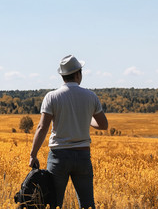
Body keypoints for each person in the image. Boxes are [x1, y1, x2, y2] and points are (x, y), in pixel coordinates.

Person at [29, 55, 108, 209]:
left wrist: (33, 154)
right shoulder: (91, 96)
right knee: (87, 205)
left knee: (53, 204)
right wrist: (87, 120)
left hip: (59, 157)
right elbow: (103, 124)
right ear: (78, 73)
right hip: (83, 156)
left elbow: (42, 127)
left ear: (62, 75)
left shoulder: (52, 97)